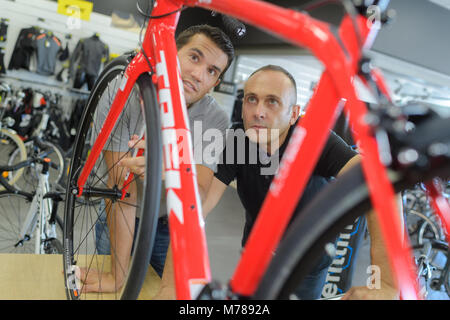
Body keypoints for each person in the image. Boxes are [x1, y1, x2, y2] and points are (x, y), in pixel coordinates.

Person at [123, 65, 400, 300]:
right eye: (251, 99)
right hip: (255, 256)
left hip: (307, 263)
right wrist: (171, 286)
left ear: (293, 114)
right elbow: (198, 209)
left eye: (272, 101)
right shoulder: (234, 141)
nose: (258, 111)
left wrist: (386, 283)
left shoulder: (312, 139)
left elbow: (380, 181)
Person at [80, 24, 235, 293]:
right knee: (118, 288)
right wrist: (117, 277)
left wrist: (170, 169)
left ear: (216, 83)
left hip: (168, 223)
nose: (199, 74)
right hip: (120, 211)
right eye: (194, 57)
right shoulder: (124, 90)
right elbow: (121, 189)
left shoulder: (215, 118)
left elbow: (195, 195)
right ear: (171, 53)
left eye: (212, 71)